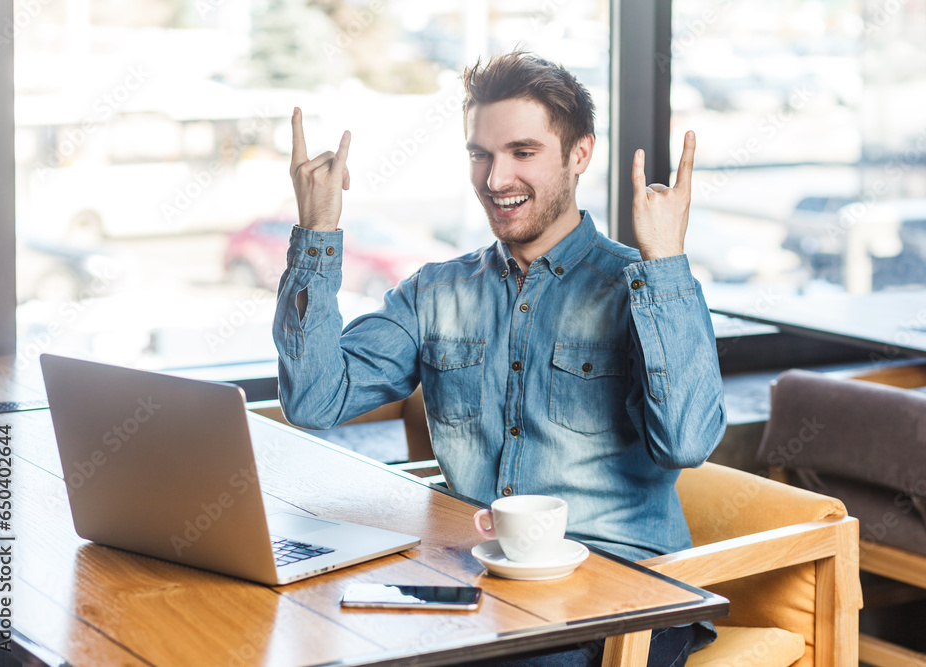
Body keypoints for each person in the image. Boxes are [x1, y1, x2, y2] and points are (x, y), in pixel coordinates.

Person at [273, 51, 726, 667]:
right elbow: (314, 399)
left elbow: (687, 443)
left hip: (621, 597)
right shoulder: (435, 292)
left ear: (579, 155)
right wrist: (317, 230)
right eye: (479, 154)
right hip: (483, 585)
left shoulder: (641, 286)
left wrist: (667, 263)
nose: (494, 179)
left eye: (522, 152)